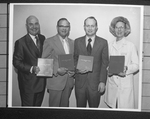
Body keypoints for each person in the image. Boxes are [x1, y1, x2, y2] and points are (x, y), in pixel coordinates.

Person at [74, 16, 109, 107]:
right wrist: (77, 69)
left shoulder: (103, 42)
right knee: (80, 111)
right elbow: (74, 59)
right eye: (87, 25)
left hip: (96, 84)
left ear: (96, 27)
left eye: (92, 26)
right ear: (84, 27)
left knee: (94, 112)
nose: (90, 28)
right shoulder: (77, 41)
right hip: (80, 83)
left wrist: (102, 81)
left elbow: (105, 63)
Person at [104, 16, 139, 109]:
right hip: (112, 85)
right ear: (113, 29)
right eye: (116, 27)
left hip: (125, 86)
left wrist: (126, 68)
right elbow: (106, 63)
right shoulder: (109, 45)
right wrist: (108, 69)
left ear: (126, 29)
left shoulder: (131, 46)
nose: (119, 30)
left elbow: (136, 65)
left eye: (121, 27)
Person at [13, 15, 46, 106]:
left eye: (36, 24)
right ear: (26, 26)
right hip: (28, 85)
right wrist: (32, 68)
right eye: (31, 24)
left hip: (41, 83)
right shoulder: (20, 42)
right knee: (27, 113)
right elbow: (16, 62)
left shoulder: (43, 38)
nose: (34, 27)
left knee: (37, 112)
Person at [42, 18, 74, 107]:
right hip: (55, 82)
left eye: (66, 26)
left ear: (69, 28)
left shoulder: (72, 42)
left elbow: (73, 60)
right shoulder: (49, 41)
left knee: (65, 110)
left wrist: (73, 71)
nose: (64, 28)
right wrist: (56, 70)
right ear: (57, 27)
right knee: (54, 112)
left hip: (68, 82)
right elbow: (44, 62)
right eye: (61, 26)